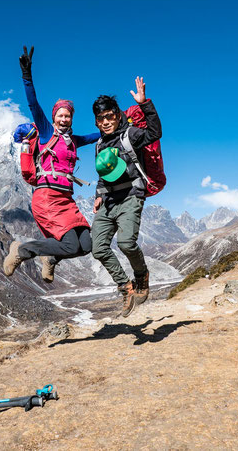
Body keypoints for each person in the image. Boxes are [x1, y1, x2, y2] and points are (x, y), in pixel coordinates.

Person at [3, 46, 100, 282]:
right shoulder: (46, 132)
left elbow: (99, 134)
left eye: (68, 116)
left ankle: (51, 258)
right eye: (61, 115)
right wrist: (27, 76)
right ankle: (22, 250)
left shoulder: (74, 141)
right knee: (69, 244)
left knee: (86, 245)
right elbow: (33, 104)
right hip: (46, 198)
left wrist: (123, 118)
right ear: (54, 116)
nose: (64, 119)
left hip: (66, 199)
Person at [91, 77, 162, 317]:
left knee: (125, 244)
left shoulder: (130, 135)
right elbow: (102, 173)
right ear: (96, 121)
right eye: (101, 119)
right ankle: (126, 287)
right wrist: (98, 195)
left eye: (110, 116)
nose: (106, 122)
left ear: (118, 116)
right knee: (98, 248)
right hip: (109, 201)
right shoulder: (99, 144)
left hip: (131, 195)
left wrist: (145, 104)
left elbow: (155, 132)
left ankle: (141, 275)